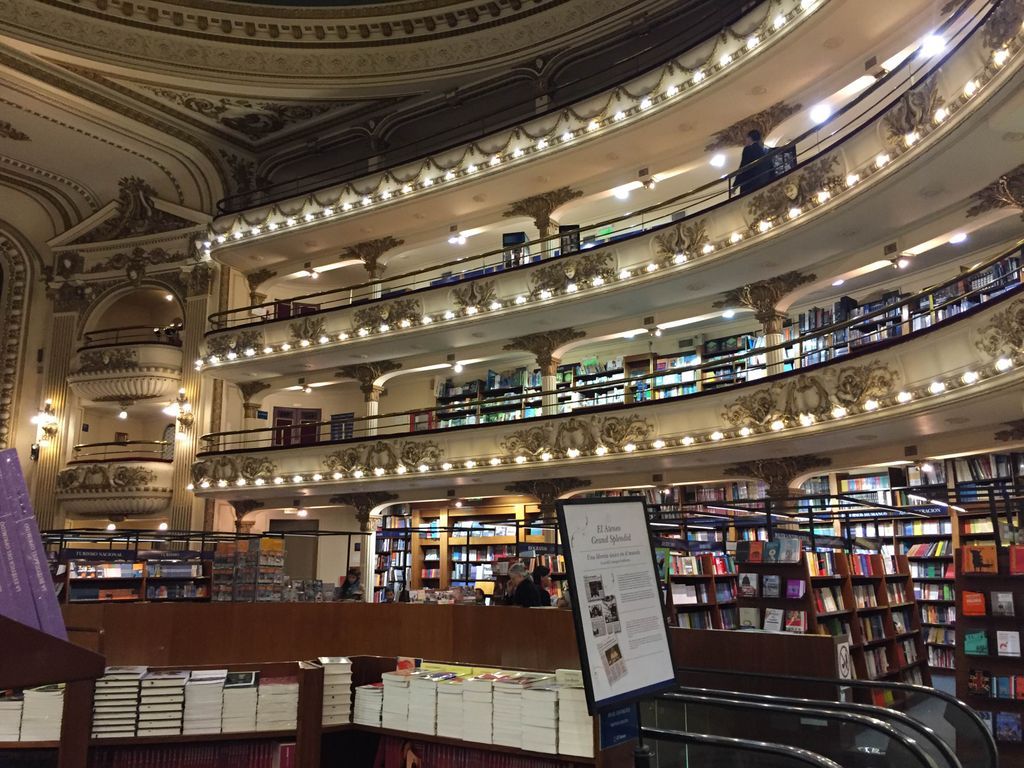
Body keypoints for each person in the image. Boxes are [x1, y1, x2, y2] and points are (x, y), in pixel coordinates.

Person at [734, 128, 772, 197]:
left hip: (749, 184)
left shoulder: (748, 149)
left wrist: (735, 185)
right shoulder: (764, 151)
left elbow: (743, 167)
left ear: (749, 138)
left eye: (746, 138)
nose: (745, 140)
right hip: (763, 182)